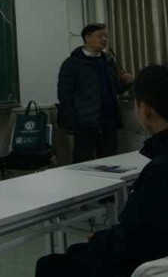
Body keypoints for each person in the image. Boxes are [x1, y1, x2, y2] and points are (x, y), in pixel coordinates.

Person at [36, 63, 168, 277]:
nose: (104, 43)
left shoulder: (159, 171)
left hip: (143, 263)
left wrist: (100, 239)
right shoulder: (75, 65)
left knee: (49, 265)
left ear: (145, 109)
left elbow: (133, 242)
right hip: (84, 125)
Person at [57, 23, 133, 163]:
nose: (104, 39)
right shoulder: (73, 63)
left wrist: (126, 83)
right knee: (83, 160)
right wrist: (74, 117)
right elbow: (64, 93)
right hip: (85, 121)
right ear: (87, 38)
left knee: (110, 160)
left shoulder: (108, 61)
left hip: (108, 119)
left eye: (106, 36)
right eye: (100, 36)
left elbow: (114, 89)